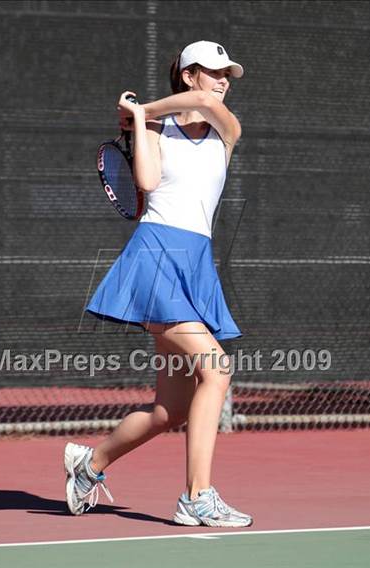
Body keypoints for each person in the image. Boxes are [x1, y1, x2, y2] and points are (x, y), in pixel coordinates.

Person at [64, 40, 253, 527]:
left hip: (194, 262)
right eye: (213, 72)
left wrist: (138, 108)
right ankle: (197, 496)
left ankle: (90, 464)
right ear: (188, 75)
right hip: (154, 259)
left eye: (226, 73)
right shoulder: (155, 129)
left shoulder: (226, 130)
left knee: (170, 412)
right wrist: (144, 127)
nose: (223, 80)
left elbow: (208, 106)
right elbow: (146, 183)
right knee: (217, 369)